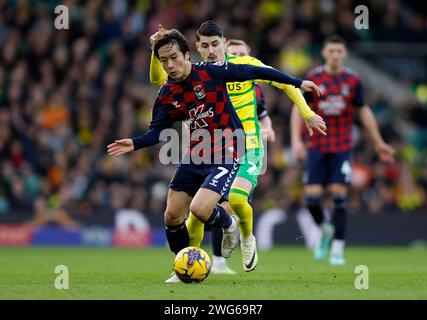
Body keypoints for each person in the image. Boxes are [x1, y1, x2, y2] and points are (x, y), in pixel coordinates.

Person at [108, 30, 325, 283]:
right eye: (164, 61)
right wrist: (134, 143)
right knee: (172, 216)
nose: (170, 65)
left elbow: (260, 72)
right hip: (196, 155)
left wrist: (298, 82)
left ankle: (230, 225)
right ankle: (183, 267)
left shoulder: (213, 72)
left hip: (228, 150)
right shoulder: (167, 93)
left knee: (199, 210)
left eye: (174, 58)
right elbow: (157, 132)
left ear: (187, 54)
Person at [290, 35, 396, 265]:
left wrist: (378, 142)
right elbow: (298, 107)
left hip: (341, 146)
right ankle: (324, 230)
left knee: (339, 197)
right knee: (311, 199)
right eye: (331, 51)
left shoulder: (352, 80)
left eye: (339, 51)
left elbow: (363, 111)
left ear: (345, 54)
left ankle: (338, 249)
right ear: (324, 53)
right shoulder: (314, 78)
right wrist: (296, 141)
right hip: (316, 146)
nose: (335, 55)